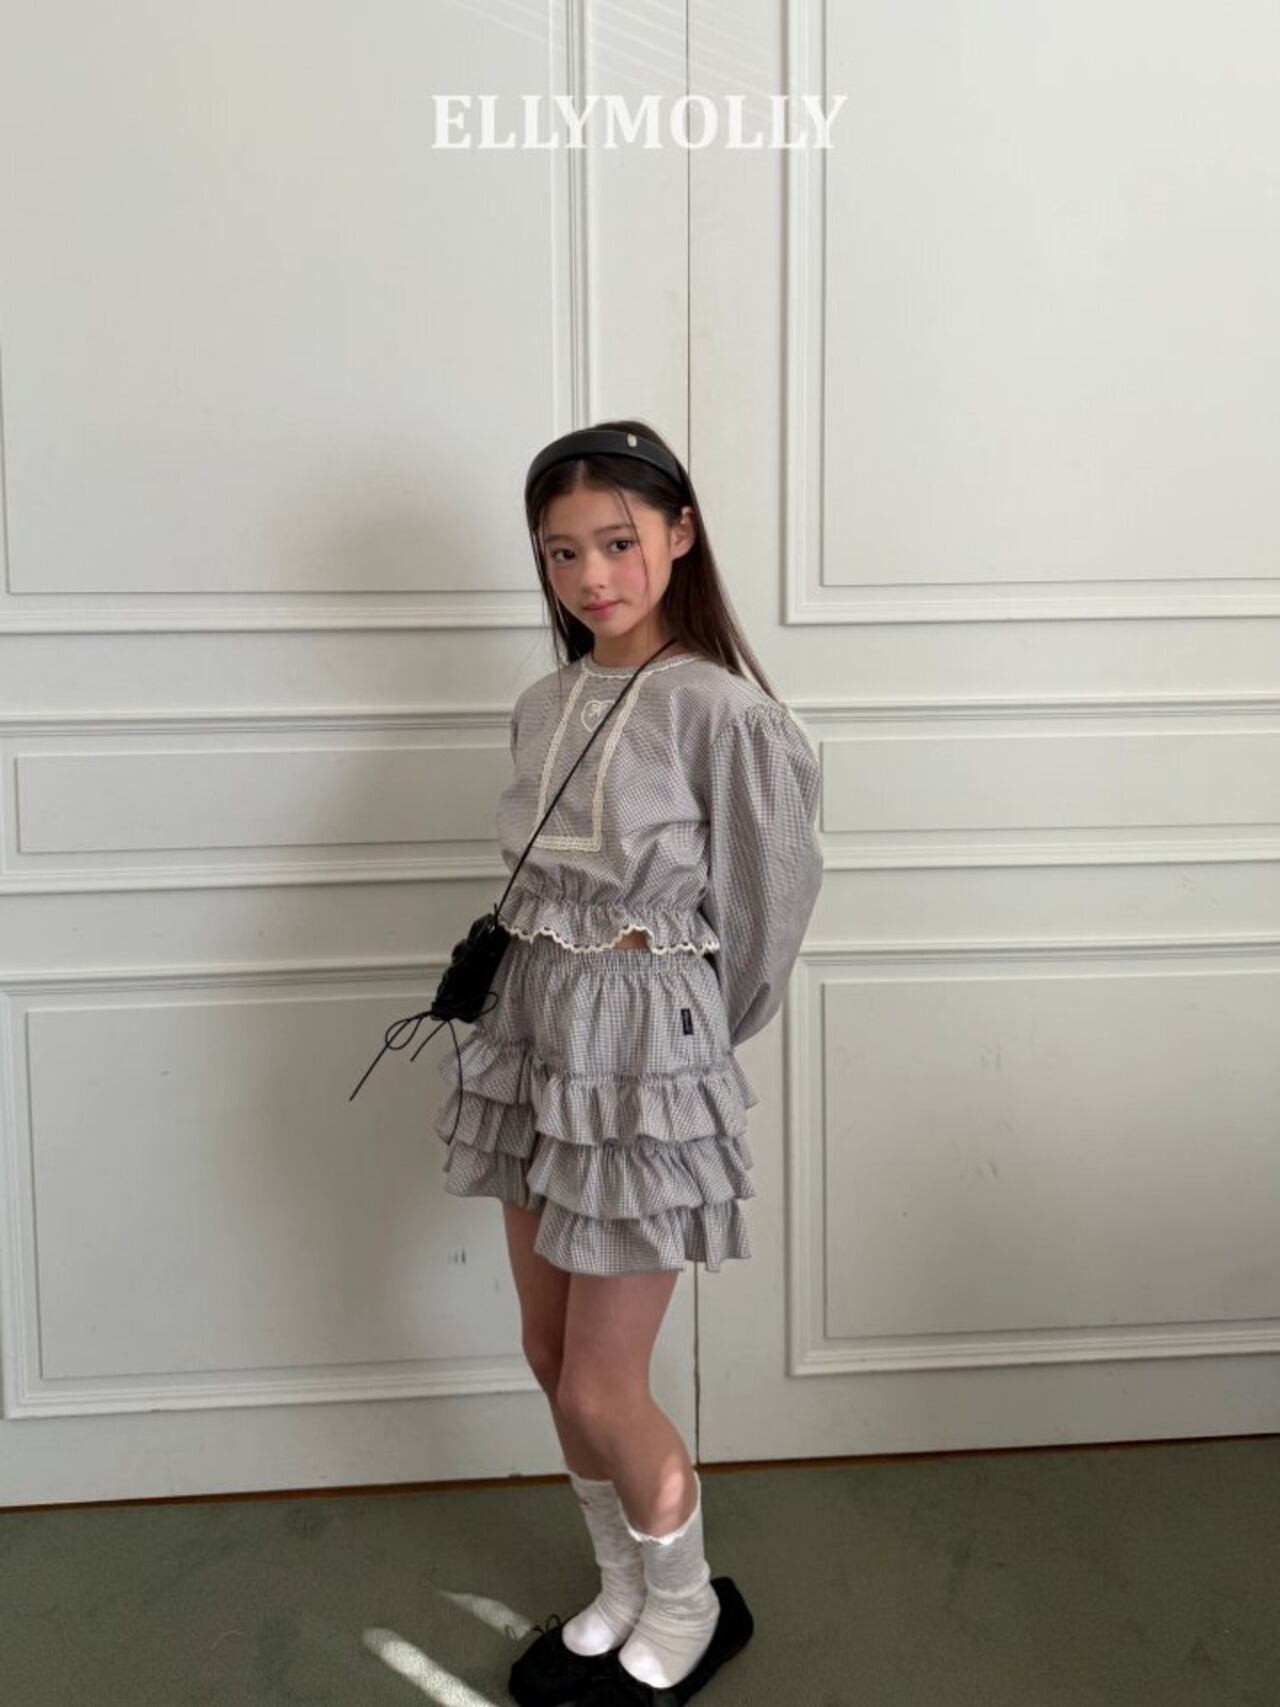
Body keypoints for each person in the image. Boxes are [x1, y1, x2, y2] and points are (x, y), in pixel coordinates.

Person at [432, 420, 824, 1706]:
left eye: (616, 542)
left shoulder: (723, 713)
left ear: (678, 533)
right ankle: (620, 1583)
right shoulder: (543, 705)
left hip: (642, 1057)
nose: (591, 575)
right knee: (551, 1354)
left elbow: (764, 917)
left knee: (607, 1378)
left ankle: (687, 1600)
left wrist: (675, 1047)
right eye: (562, 552)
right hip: (532, 1034)